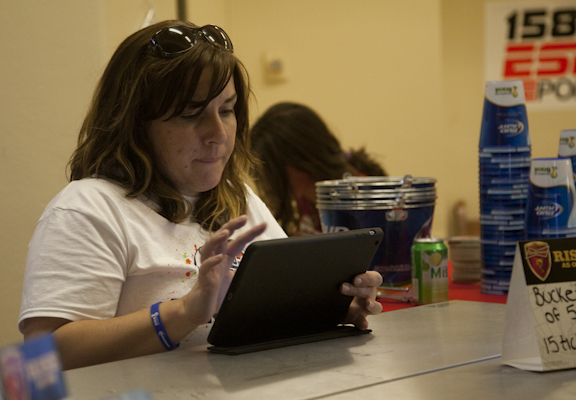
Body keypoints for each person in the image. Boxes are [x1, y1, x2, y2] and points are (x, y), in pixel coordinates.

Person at [18, 21, 383, 370]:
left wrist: (330, 306)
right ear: (134, 125)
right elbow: (43, 354)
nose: (219, 133)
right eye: (192, 114)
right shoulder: (88, 209)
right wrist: (186, 312)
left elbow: (274, 315)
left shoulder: (239, 199)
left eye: (226, 110)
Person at [251, 102, 387, 235]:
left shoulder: (364, 199)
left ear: (302, 158)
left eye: (271, 169)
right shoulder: (306, 197)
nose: (267, 183)